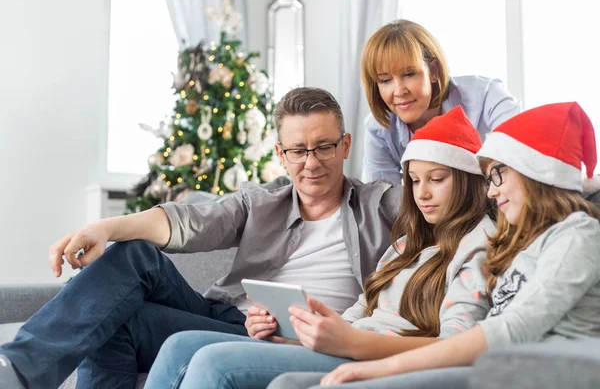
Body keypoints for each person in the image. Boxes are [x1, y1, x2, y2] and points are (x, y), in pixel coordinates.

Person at [0, 88, 403, 389]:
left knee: (122, 320)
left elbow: (446, 190)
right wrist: (104, 228)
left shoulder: (380, 206)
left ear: (345, 145)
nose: (311, 163)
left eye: (324, 148)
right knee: (135, 257)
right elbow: (188, 221)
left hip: (292, 338)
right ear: (281, 154)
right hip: (226, 318)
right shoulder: (262, 201)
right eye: (298, 151)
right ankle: (18, 371)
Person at [142, 105, 497, 389]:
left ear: (468, 180)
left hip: (372, 356)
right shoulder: (408, 245)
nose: (421, 193)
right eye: (415, 180)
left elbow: (458, 347)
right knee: (180, 345)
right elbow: (356, 316)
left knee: (212, 362)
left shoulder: (478, 246)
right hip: (345, 347)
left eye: (437, 179)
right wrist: (298, 337)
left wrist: (352, 344)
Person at [273, 101, 600, 389]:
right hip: (495, 364)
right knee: (287, 384)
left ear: (535, 173)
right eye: (414, 181)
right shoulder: (525, 242)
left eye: (499, 175)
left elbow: (510, 329)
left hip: (528, 371)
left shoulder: (577, 234)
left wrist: (380, 365)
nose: (491, 191)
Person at [361, 19, 521, 184]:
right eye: (385, 80)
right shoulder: (378, 130)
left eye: (409, 74)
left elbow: (518, 154)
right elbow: (385, 201)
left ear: (433, 71)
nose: (399, 91)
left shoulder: (486, 94)